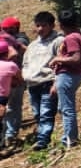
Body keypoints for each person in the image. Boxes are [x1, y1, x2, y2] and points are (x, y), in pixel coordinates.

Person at [20, 12, 61, 149]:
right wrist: (25, 75)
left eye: (43, 25)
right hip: (33, 83)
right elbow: (25, 63)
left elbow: (61, 63)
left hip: (47, 81)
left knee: (46, 112)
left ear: (52, 25)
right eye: (38, 26)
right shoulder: (32, 45)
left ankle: (43, 140)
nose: (40, 29)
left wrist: (56, 81)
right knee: (37, 113)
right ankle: (42, 137)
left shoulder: (58, 41)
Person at [49, 10, 81, 148]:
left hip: (68, 75)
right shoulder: (80, 36)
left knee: (67, 108)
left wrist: (58, 58)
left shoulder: (71, 38)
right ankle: (69, 136)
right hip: (74, 75)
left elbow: (76, 58)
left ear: (61, 24)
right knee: (63, 107)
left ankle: (70, 140)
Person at [0, 17, 27, 147]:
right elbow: (19, 51)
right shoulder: (9, 38)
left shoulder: (5, 38)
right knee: (12, 108)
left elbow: (15, 52)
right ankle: (8, 136)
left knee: (10, 108)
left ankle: (8, 136)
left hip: (9, 77)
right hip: (11, 76)